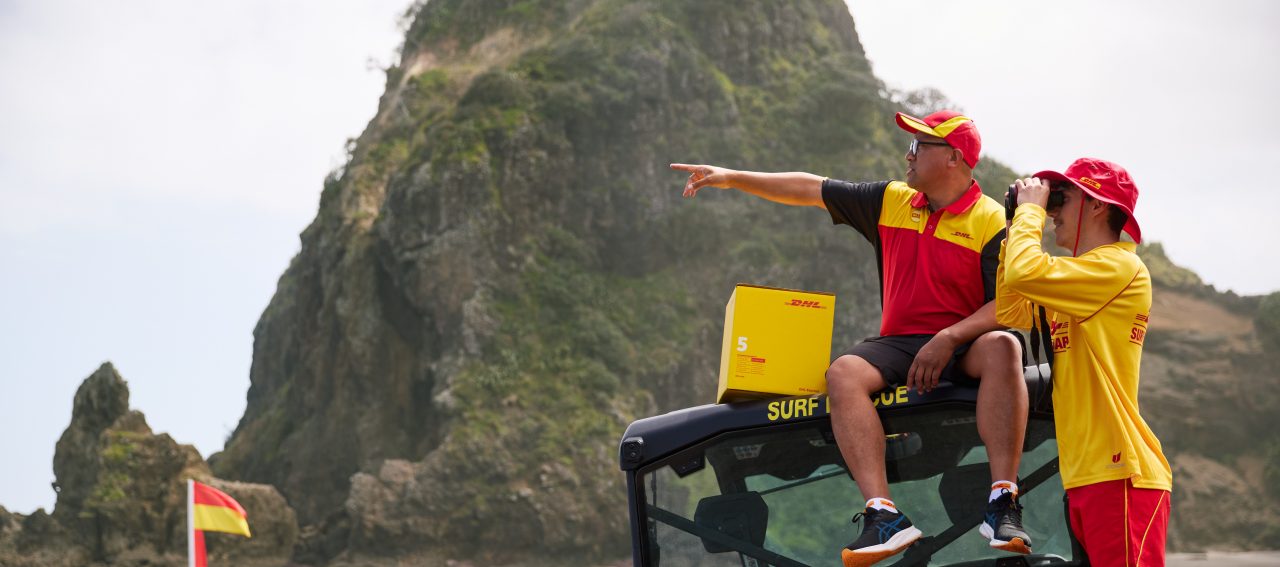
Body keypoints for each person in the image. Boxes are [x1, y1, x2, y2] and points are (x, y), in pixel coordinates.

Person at [673, 110, 1032, 567]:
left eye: (920, 146)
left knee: (1005, 345)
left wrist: (948, 336)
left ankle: (1002, 499)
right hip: (901, 342)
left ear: (954, 158)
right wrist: (730, 177)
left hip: (966, 342)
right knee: (842, 372)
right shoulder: (891, 200)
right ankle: (883, 514)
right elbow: (810, 187)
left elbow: (1011, 305)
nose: (909, 154)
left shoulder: (994, 222)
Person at [998, 159, 1172, 566]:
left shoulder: (1119, 266)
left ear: (1097, 205)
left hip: (1120, 474)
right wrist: (1015, 227)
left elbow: (1025, 276)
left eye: (1063, 198)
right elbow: (1012, 310)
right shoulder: (1079, 280)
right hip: (1087, 475)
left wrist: (1030, 212)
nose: (1054, 210)